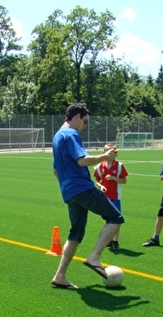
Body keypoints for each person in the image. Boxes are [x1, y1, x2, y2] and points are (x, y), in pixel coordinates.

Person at [50, 102, 124, 290]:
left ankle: (60, 275)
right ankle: (95, 257)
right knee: (115, 217)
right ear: (76, 117)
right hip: (81, 187)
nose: (84, 126)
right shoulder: (71, 134)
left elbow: (56, 170)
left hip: (69, 191)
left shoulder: (57, 136)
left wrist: (69, 186)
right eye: (84, 121)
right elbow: (82, 160)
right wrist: (105, 157)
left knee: (75, 233)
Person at [93, 142, 128, 251]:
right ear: (103, 153)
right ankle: (109, 240)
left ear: (115, 154)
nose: (109, 153)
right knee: (109, 219)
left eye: (112, 151)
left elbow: (124, 180)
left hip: (115, 197)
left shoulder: (119, 166)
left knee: (116, 219)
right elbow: (96, 180)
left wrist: (114, 178)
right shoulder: (100, 166)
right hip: (104, 197)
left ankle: (115, 241)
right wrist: (101, 186)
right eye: (107, 151)